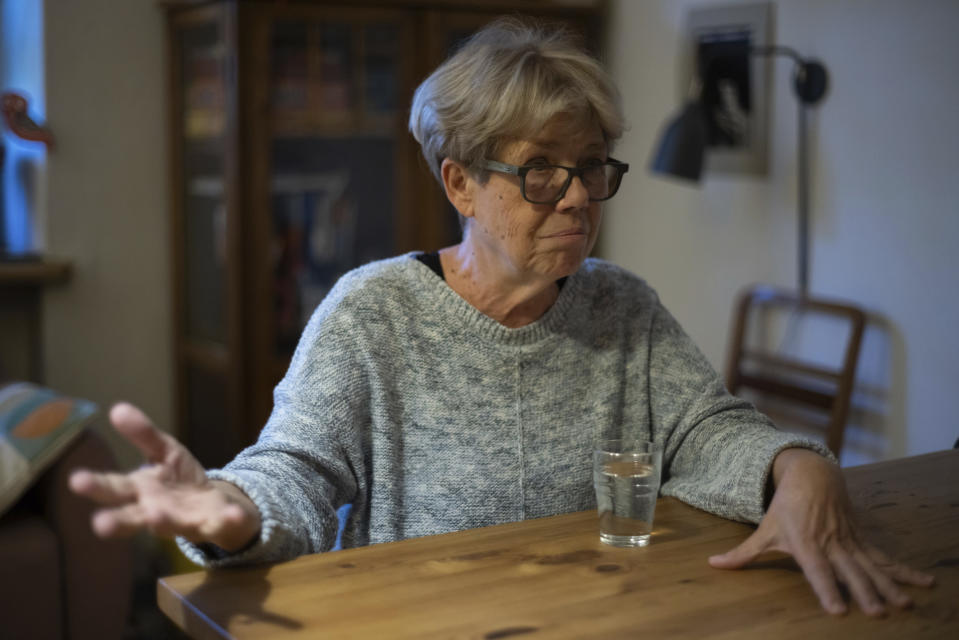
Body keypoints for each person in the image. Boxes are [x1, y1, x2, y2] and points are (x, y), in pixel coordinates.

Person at [70, 17, 932, 617]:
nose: (578, 199)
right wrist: (234, 508)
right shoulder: (373, 313)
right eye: (540, 171)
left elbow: (705, 431)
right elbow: (295, 471)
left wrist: (795, 464)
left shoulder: (620, 305)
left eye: (591, 167)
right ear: (458, 184)